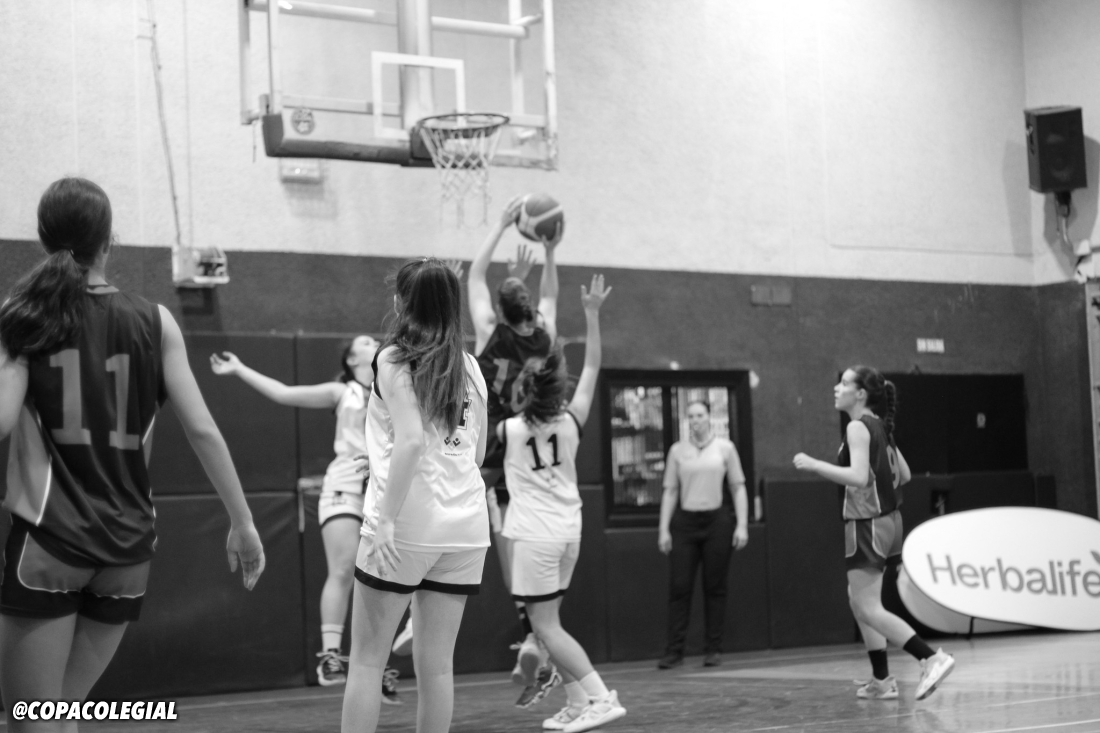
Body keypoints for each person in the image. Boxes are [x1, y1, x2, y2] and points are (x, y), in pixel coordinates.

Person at [0, 177, 265, 732]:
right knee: (62, 714)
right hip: (125, 554)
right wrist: (243, 522)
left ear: (44, 240)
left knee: (33, 720)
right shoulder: (157, 320)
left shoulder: (24, 315)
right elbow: (204, 431)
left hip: (50, 543)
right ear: (108, 240)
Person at [341, 258, 489, 733]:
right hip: (465, 529)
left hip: (406, 524)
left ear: (401, 301)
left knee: (367, 662)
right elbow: (475, 452)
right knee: (438, 668)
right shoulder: (471, 366)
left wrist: (385, 520)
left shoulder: (392, 357)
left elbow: (409, 441)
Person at [209, 336, 401, 701]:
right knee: (343, 568)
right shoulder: (342, 392)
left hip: (385, 493)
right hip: (345, 487)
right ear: (351, 360)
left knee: (383, 577)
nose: (373, 340)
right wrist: (239, 369)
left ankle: (373, 663)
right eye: (364, 341)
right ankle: (330, 656)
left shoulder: (394, 388)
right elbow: (283, 393)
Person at [501, 275, 625, 733]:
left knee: (546, 627)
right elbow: (592, 367)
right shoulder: (572, 419)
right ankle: (576, 700)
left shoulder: (510, 431)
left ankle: (600, 697)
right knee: (545, 623)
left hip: (535, 535)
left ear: (524, 391)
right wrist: (591, 314)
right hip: (568, 532)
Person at [793, 366, 955, 701]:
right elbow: (904, 475)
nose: (836, 388)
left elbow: (857, 477)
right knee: (858, 600)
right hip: (890, 522)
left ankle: (931, 658)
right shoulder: (880, 425)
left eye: (844, 383)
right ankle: (881, 680)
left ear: (861, 394)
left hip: (867, 523)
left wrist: (815, 464)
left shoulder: (857, 427)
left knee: (867, 607)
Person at [468, 197, 562, 699]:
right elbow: (550, 295)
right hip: (535, 444)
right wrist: (549, 252)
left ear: (501, 311)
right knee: (526, 539)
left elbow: (474, 275)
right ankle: (536, 634)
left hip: (492, 448)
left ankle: (531, 631)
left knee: (501, 540)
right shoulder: (545, 332)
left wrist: (503, 225)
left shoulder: (490, 330)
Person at [656, 401, 749, 669]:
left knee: (715, 587)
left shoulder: (725, 448)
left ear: (709, 418)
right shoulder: (677, 451)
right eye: (691, 416)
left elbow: (738, 487)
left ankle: (713, 649)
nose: (695, 420)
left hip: (716, 522)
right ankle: (674, 651)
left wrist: (742, 525)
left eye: (700, 415)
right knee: (679, 587)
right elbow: (670, 491)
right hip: (685, 522)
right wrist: (663, 529)